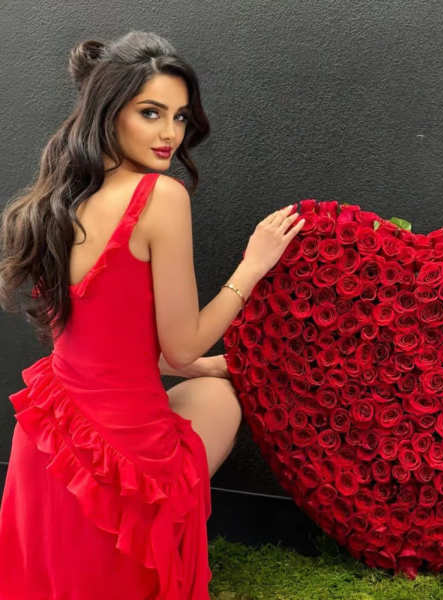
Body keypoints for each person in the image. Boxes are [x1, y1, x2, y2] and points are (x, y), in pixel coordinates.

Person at [0, 30, 305, 599]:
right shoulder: (159, 197)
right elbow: (182, 346)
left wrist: (198, 366)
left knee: (207, 379)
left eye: (180, 117)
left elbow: (110, 348)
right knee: (220, 397)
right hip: (123, 464)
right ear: (110, 110)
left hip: (44, 454)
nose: (170, 134)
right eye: (151, 113)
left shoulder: (57, 201)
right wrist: (252, 267)